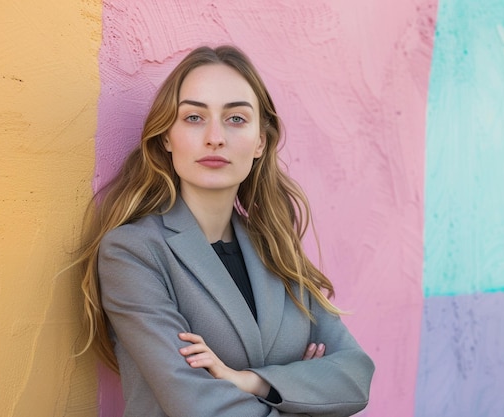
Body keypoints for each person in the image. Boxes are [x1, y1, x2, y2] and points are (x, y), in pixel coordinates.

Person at [77, 45, 375, 416]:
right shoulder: (133, 252)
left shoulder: (276, 248)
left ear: (260, 142)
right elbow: (200, 406)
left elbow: (355, 376)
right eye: (193, 118)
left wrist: (249, 380)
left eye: (235, 119)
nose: (215, 137)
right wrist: (302, 390)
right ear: (167, 137)